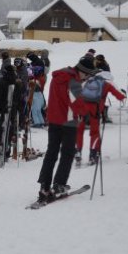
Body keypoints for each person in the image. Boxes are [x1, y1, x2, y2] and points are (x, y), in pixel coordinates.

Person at [36, 57, 90, 203]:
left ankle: (44, 186)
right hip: (68, 122)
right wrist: (89, 113)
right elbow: (77, 103)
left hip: (54, 120)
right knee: (67, 153)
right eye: (87, 75)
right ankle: (59, 184)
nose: (86, 78)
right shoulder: (74, 81)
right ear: (83, 72)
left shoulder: (58, 77)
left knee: (51, 153)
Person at [73, 68, 125, 166]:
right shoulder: (106, 84)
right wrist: (123, 96)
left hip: (81, 109)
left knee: (79, 131)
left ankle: (77, 152)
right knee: (94, 133)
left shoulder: (88, 82)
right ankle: (93, 155)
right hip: (95, 111)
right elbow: (119, 96)